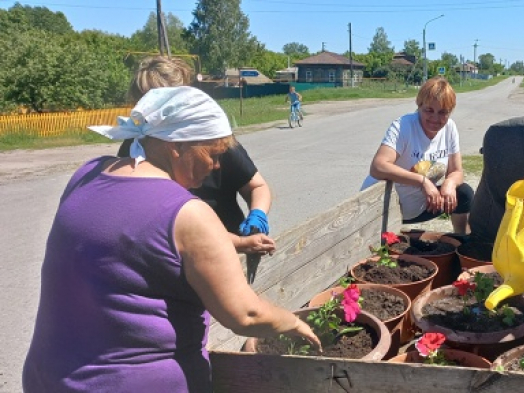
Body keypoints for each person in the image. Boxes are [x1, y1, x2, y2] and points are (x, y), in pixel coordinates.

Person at [22, 86, 321, 392]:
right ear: (177, 146)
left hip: (49, 377)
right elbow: (246, 314)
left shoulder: (87, 174)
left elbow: (135, 243)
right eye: (213, 154)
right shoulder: (189, 214)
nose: (217, 166)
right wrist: (293, 322)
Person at [118, 56, 274, 255]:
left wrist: (257, 214)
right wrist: (239, 243)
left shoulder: (213, 141)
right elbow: (158, 226)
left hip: (228, 254)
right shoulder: (132, 150)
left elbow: (256, 185)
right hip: (176, 256)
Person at [364, 77, 473, 234]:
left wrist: (449, 183)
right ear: (419, 105)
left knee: (464, 193)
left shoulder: (449, 128)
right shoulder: (403, 126)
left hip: (419, 206)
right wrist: (422, 182)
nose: (435, 118)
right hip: (381, 209)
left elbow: (457, 171)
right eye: (429, 110)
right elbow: (378, 166)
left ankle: (462, 239)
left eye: (443, 112)